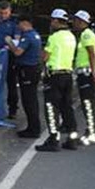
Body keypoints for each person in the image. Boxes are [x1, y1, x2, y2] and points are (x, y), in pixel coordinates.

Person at [36, 9, 79, 152]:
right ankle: (72, 139)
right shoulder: (71, 36)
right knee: (67, 108)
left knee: (51, 108)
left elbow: (45, 56)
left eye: (52, 20)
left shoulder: (54, 37)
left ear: (55, 21)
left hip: (54, 76)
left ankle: (53, 140)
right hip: (68, 75)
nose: (51, 23)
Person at [4, 15, 42, 138]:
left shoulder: (28, 36)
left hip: (27, 70)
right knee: (32, 99)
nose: (18, 27)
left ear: (25, 23)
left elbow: (18, 52)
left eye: (19, 24)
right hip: (33, 69)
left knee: (28, 100)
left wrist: (9, 42)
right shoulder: (36, 35)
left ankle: (33, 128)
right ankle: (33, 126)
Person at [72, 10, 95, 145]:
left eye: (76, 20)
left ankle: (91, 131)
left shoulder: (86, 35)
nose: (74, 23)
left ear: (81, 22)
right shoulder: (89, 34)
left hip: (86, 73)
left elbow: (92, 54)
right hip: (87, 72)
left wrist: (94, 73)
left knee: (87, 104)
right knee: (88, 103)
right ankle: (91, 130)